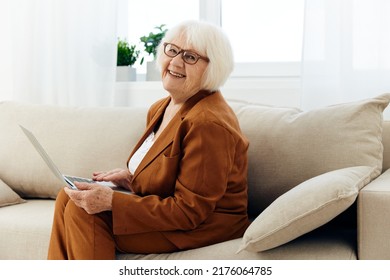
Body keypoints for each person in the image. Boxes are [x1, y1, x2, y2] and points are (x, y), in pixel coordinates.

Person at [47, 20, 250, 260]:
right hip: (178, 214)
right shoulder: (161, 108)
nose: (175, 62)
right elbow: (171, 177)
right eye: (172, 50)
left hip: (204, 226)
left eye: (190, 57)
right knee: (67, 196)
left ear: (213, 67)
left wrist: (112, 201)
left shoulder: (208, 124)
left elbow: (190, 211)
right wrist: (132, 181)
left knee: (84, 214)